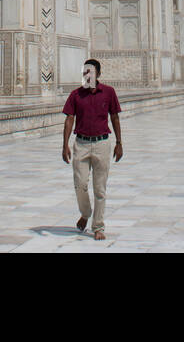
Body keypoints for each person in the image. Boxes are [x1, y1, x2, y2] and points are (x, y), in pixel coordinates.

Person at [61, 59, 122, 241]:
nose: (88, 76)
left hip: (102, 143)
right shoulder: (76, 95)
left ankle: (98, 226)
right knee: (80, 184)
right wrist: (65, 145)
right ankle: (86, 213)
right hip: (81, 143)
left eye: (91, 73)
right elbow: (69, 118)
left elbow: (115, 117)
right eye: (85, 73)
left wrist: (119, 142)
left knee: (100, 188)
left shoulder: (109, 93)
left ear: (98, 74)